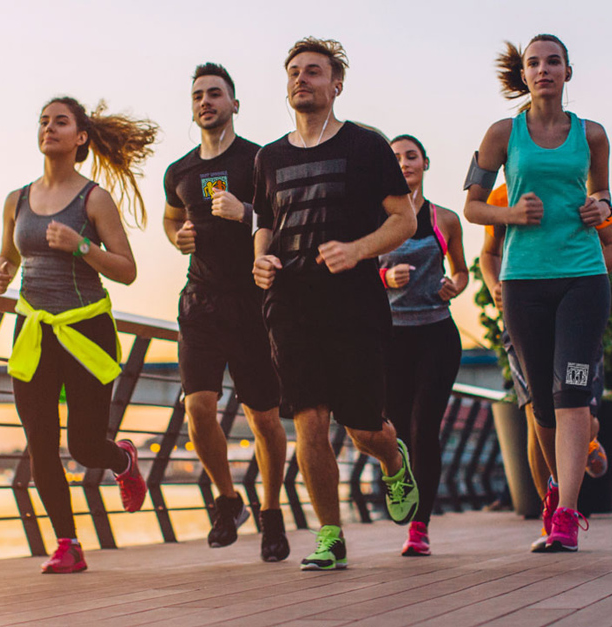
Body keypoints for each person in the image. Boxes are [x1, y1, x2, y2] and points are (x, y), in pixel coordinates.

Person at [251, 37, 419, 571]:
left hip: (353, 306)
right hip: (291, 306)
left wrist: (357, 250)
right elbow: (265, 224)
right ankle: (330, 535)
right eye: (295, 72)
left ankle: (394, 459)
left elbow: (405, 219)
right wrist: (261, 261)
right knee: (309, 422)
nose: (302, 79)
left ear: (336, 85)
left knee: (363, 427)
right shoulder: (268, 157)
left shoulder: (366, 146)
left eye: (315, 72)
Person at [463, 36, 612, 553]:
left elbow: (602, 194)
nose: (544, 69)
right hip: (523, 281)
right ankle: (554, 491)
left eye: (553, 62)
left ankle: (568, 514)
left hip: (582, 277)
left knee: (572, 395)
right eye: (534, 63)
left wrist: (601, 209)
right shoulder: (503, 133)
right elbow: (473, 206)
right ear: (523, 75)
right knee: (543, 409)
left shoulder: (591, 135)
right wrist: (511, 215)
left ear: (568, 72)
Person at [0, 96, 155, 574]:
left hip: (86, 331)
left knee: (84, 446)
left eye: (60, 122)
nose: (48, 128)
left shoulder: (93, 199)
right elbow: (10, 256)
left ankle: (122, 461)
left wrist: (81, 244)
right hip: (34, 332)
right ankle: (68, 544)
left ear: (80, 137)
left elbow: (127, 270)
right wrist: (2, 273)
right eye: (43, 121)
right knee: (40, 444)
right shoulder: (16, 200)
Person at [162, 63, 290, 562]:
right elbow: (174, 219)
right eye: (198, 95)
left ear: (234, 104)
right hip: (200, 302)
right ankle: (227, 499)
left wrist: (247, 214)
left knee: (264, 419)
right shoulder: (180, 171)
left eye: (215, 94)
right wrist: (178, 238)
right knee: (197, 407)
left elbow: (285, 217)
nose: (205, 102)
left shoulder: (260, 160)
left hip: (253, 304)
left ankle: (272, 510)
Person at [480, 183, 612, 551]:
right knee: (537, 413)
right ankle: (554, 501)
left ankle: (568, 504)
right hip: (523, 310)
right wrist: (494, 283)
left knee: (577, 407)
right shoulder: (502, 197)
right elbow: (489, 253)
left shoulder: (580, 193)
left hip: (578, 310)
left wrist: (574, 268)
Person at [380, 134, 469, 556]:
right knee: (395, 432)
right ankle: (403, 492)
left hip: (436, 333)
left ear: (425, 163)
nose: (403, 164)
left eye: (410, 156)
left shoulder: (444, 218)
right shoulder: (373, 218)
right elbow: (354, 271)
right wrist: (384, 278)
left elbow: (463, 271)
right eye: (395, 158)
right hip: (390, 338)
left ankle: (419, 526)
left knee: (423, 429)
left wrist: (455, 285)